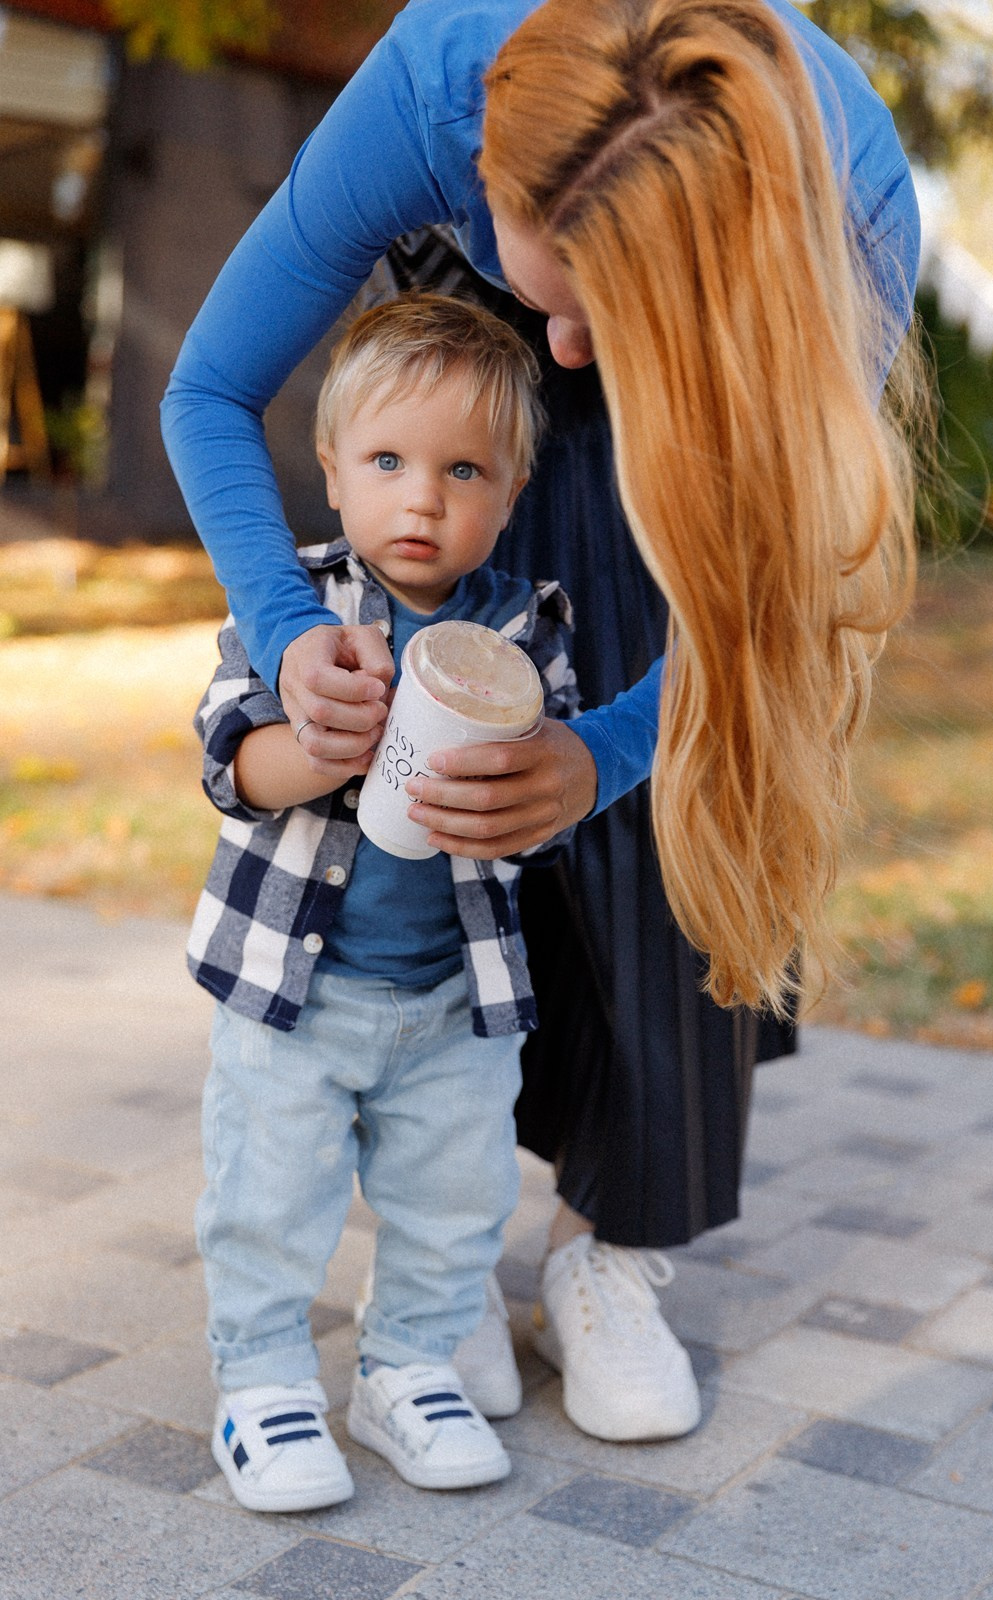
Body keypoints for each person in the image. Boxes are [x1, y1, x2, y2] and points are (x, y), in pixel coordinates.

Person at [163, 0, 922, 1446]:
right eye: (555, 291)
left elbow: (771, 602)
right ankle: (440, 1263)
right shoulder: (431, 87)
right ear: (484, 169)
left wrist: (607, 754)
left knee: (654, 733)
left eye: (604, 319)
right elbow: (208, 388)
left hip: (727, 335)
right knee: (476, 673)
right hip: (475, 322)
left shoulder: (852, 217)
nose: (571, 351)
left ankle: (607, 1244)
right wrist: (289, 634)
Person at [189, 293, 583, 1512]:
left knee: (455, 1205)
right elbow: (228, 762)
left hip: (454, 998)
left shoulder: (523, 626)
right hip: (291, 997)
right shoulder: (296, 605)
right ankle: (261, 1382)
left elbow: (552, 796)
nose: (422, 500)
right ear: (330, 468)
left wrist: (524, 789)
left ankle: (407, 1368)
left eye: (463, 470)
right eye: (387, 462)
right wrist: (313, 745)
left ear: (510, 491)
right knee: (267, 1198)